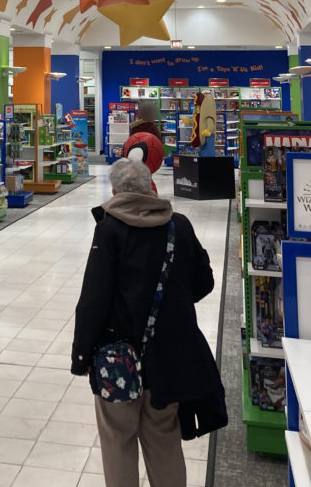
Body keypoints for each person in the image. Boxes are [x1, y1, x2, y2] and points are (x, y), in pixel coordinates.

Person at [70, 156, 227, 487]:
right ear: (149, 186)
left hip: (118, 360)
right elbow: (204, 281)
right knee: (163, 437)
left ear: (114, 190)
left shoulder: (110, 229)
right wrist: (175, 307)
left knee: (118, 439)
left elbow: (94, 299)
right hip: (169, 357)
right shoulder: (178, 225)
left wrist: (82, 354)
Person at [122, 100, 164, 192]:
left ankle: (135, 189)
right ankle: (148, 190)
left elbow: (131, 140)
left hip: (134, 153)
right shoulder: (152, 127)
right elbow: (158, 141)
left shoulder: (134, 127)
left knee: (135, 172)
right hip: (149, 153)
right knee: (147, 173)